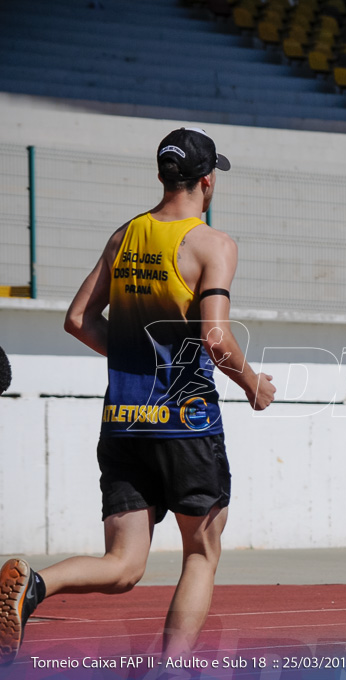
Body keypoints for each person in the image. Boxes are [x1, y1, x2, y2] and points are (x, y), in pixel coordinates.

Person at [0, 127, 276, 666]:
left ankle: (33, 584)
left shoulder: (124, 235)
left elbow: (78, 320)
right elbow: (215, 338)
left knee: (123, 566)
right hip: (186, 423)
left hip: (123, 420)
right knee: (201, 554)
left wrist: (133, 358)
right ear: (207, 180)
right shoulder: (212, 245)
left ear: (160, 176)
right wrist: (253, 384)